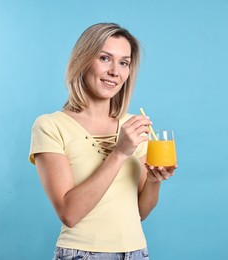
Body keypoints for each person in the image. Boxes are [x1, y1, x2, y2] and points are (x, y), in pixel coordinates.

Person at [29, 23, 177, 260]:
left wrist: (153, 180)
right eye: (105, 58)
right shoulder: (50, 126)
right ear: (83, 60)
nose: (115, 72)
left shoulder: (134, 127)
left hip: (135, 252)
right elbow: (70, 213)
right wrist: (119, 153)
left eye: (124, 62)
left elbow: (141, 211)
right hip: (81, 253)